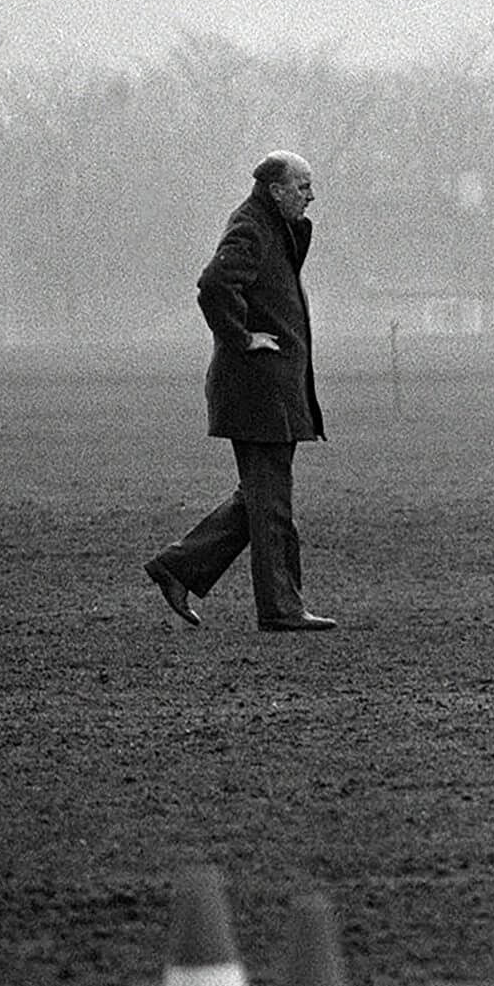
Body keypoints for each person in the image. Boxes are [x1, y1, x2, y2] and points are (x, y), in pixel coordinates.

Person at [142, 151, 337, 632]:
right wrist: (242, 337)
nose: (311, 196)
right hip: (257, 393)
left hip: (272, 392)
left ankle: (178, 567)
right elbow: (213, 285)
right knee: (271, 507)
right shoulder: (251, 227)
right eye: (302, 186)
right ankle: (281, 609)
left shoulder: (279, 229)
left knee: (257, 499)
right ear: (276, 190)